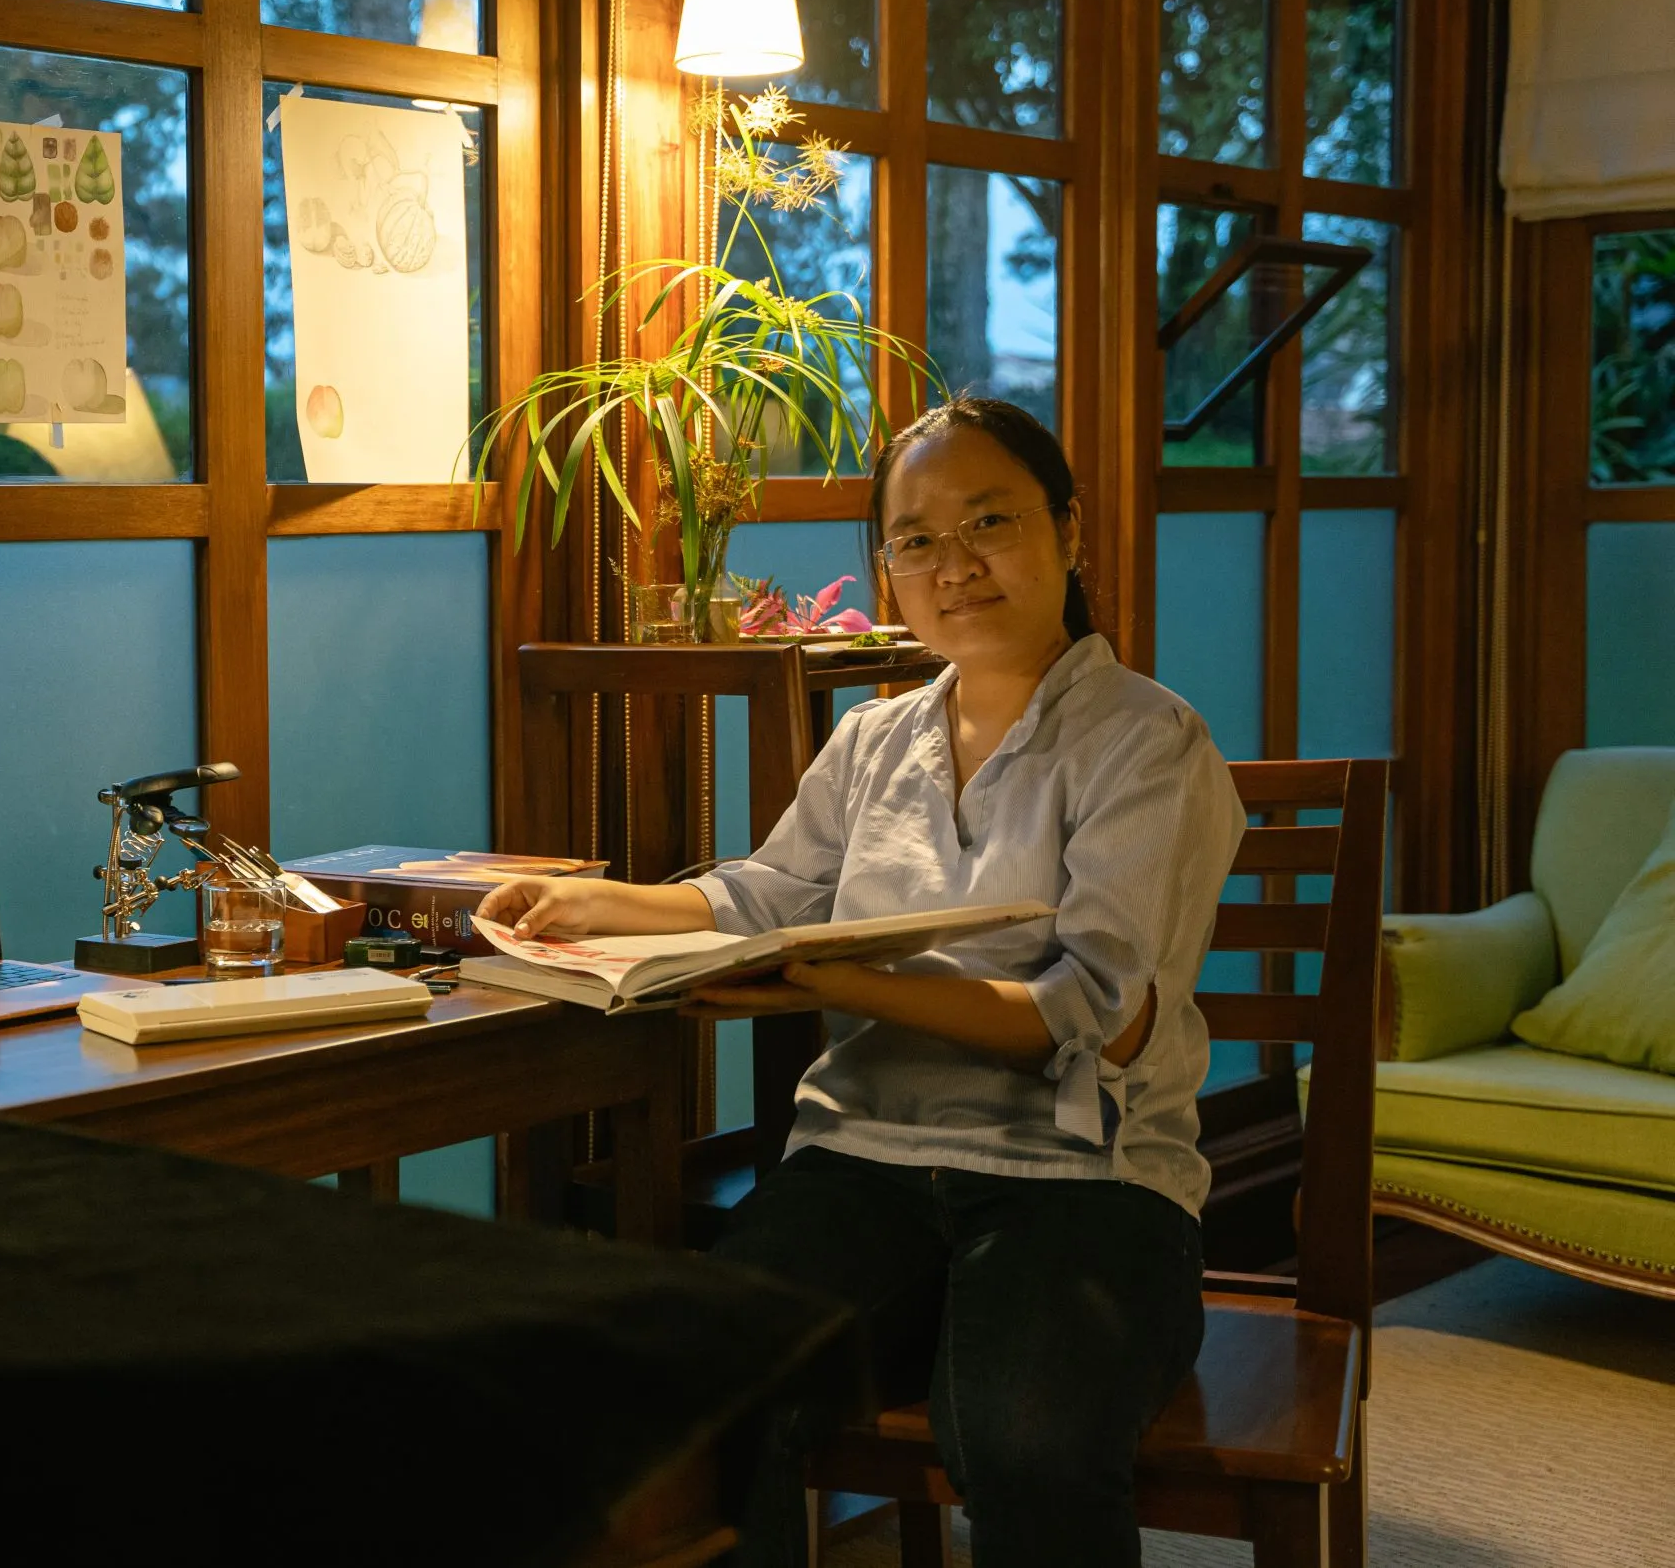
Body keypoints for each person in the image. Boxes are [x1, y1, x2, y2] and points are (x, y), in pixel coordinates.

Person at [482, 398, 1245, 1568]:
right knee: (702, 1387)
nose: (954, 564)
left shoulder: (1150, 741)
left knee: (1025, 1438)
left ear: (1068, 530)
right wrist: (599, 903)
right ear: (887, 567)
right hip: (864, 1160)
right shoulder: (872, 741)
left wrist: (833, 978)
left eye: (989, 522)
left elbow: (1085, 1017)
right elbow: (771, 894)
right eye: (915, 539)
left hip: (1082, 1177)